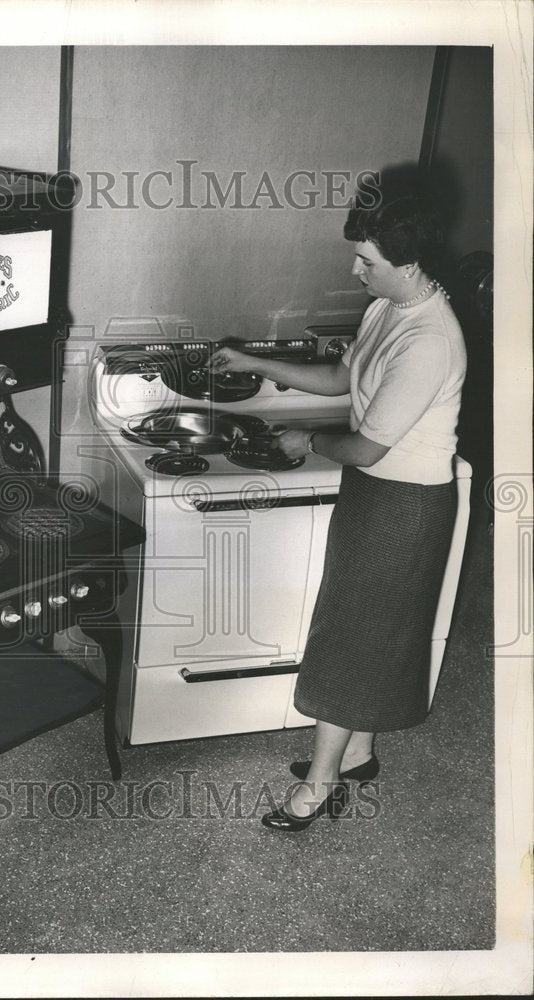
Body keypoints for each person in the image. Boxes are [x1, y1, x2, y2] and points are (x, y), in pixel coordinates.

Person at [208, 173, 467, 831]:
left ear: (408, 262)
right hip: (377, 497)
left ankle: (319, 786)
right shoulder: (390, 306)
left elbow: (366, 447)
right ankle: (358, 754)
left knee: (354, 637)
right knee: (362, 628)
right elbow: (340, 378)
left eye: (368, 261)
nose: (356, 270)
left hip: (406, 506)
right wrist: (254, 360)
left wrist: (305, 439)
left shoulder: (430, 339)